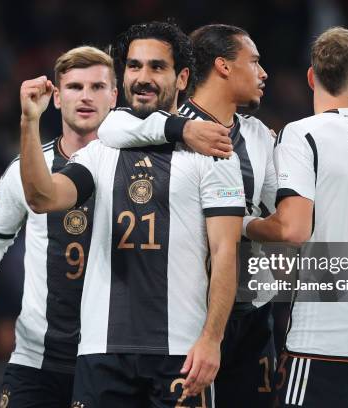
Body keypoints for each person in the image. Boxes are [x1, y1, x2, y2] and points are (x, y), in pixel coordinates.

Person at [18, 21, 245, 407]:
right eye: (135, 66)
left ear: (183, 77)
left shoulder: (213, 153)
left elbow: (226, 253)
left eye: (157, 67)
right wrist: (29, 122)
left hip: (181, 351)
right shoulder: (99, 153)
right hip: (101, 351)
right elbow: (43, 198)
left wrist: (211, 339)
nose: (143, 77)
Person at [97, 24, 278, 407]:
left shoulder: (261, 136)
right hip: (189, 314)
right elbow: (112, 124)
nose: (263, 73)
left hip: (253, 311)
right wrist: (184, 130)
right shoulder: (167, 123)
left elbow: (285, 216)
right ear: (224, 67)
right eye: (255, 62)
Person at [245, 27, 348, 408]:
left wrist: (243, 223)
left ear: (310, 77)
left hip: (325, 335)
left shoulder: (305, 134)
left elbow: (294, 229)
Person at [0, 46, 117, 407]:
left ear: (115, 97)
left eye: (97, 86)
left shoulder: (133, 169)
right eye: (74, 87)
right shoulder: (26, 168)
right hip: (35, 356)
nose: (86, 96)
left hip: (108, 356)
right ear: (56, 98)